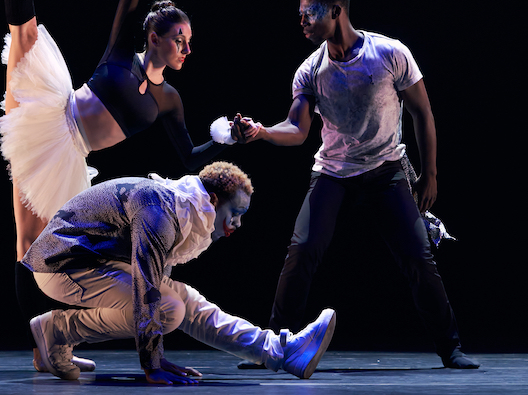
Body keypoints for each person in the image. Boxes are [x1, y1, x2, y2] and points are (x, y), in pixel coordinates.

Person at [0, 0, 242, 372]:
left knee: (43, 252)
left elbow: (188, 160)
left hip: (71, 158)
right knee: (24, 34)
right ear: (154, 37)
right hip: (55, 116)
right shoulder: (120, 56)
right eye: (180, 39)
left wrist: (232, 137)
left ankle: (48, 344)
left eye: (190, 41)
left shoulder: (169, 100)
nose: (186, 49)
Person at [232, 0, 479, 369]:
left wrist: (430, 174)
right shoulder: (310, 70)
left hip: (386, 170)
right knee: (302, 252)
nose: (302, 20)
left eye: (309, 13)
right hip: (332, 173)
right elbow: (297, 129)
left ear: (335, 10)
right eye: (300, 14)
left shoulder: (388, 53)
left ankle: (451, 348)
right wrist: (261, 132)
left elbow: (422, 112)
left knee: (418, 257)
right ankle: (272, 350)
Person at [23, 161, 337, 383]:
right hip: (60, 265)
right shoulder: (160, 213)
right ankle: (57, 331)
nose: (237, 225)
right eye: (236, 214)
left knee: (188, 302)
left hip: (93, 260)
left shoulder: (179, 208)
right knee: (168, 309)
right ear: (213, 200)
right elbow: (145, 289)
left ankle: (281, 351)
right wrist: (153, 363)